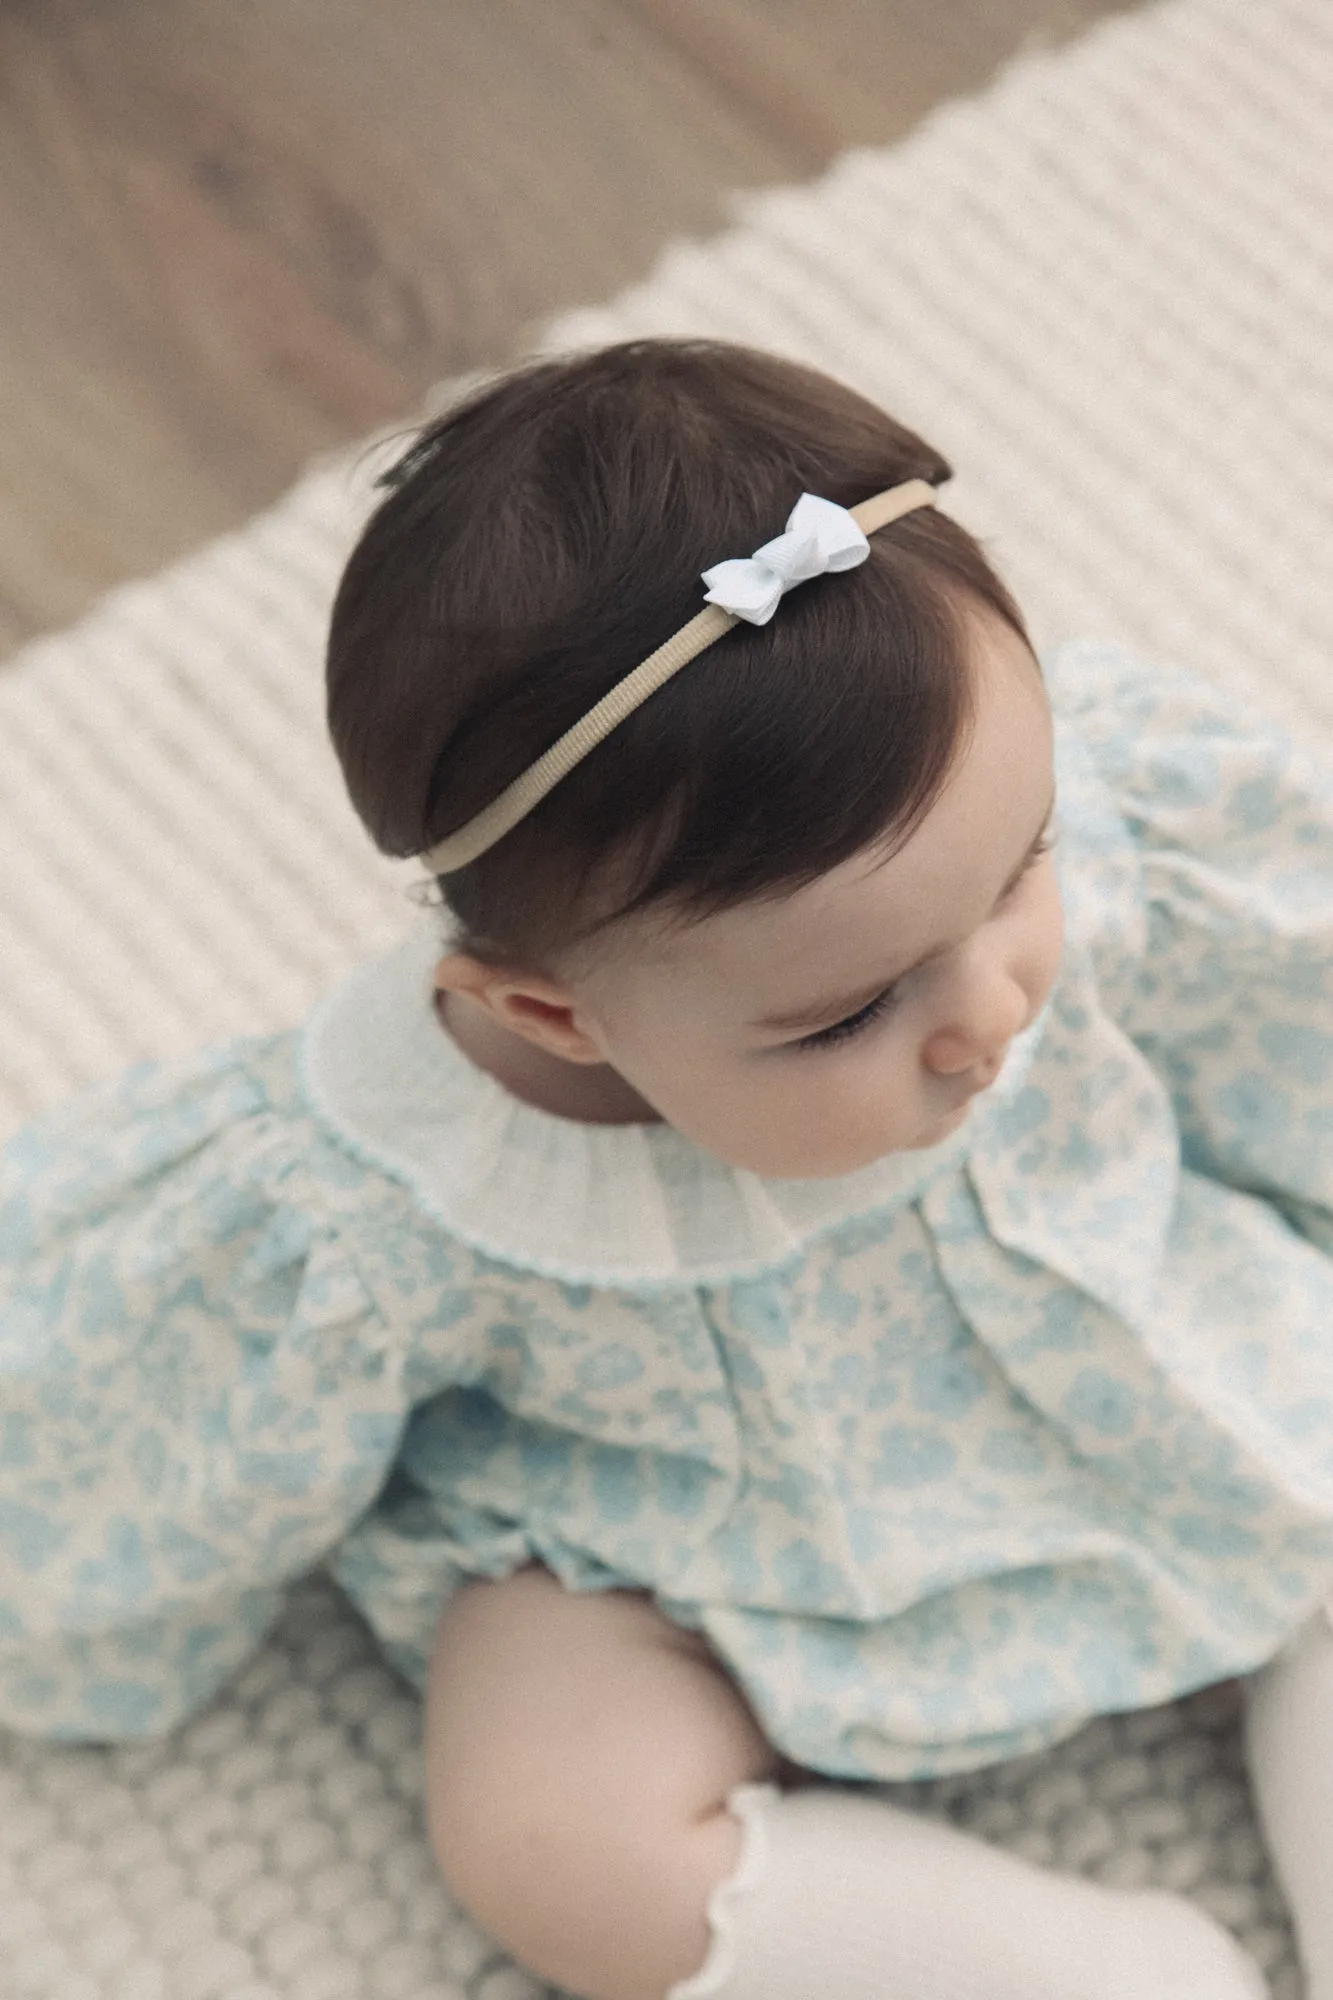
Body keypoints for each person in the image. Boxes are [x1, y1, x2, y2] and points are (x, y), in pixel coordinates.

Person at [4, 338, 1333, 2000]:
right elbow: (131, 1406)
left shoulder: (993, 857)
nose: (991, 1013)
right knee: (544, 1829)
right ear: (553, 1015)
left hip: (1137, 1355)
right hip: (676, 1541)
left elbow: (1288, 1001)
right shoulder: (375, 1186)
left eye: (1025, 868)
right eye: (852, 1010)